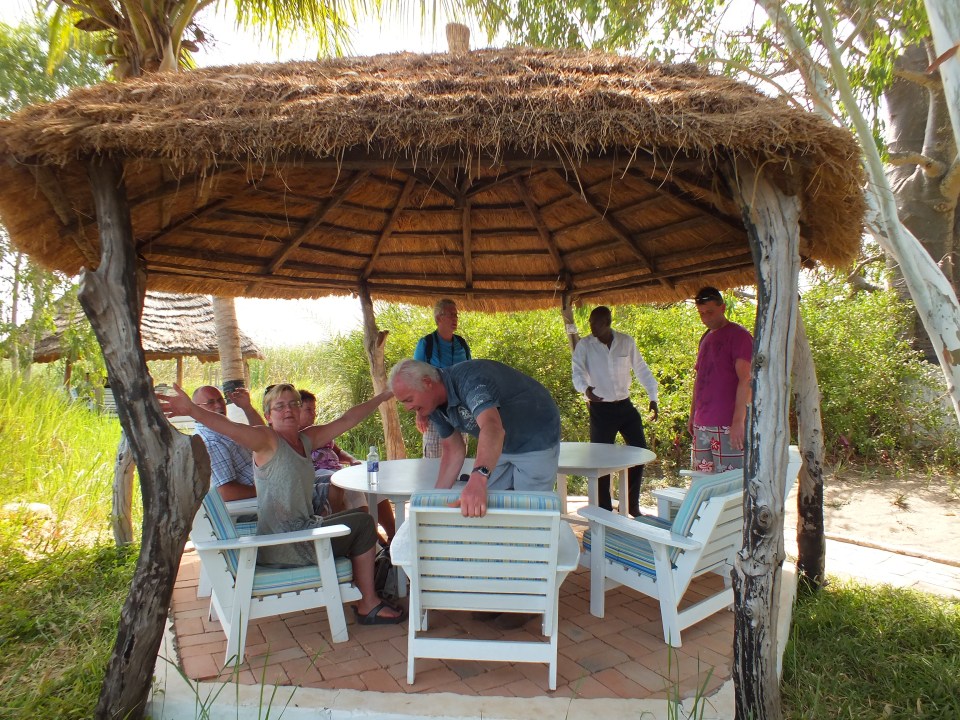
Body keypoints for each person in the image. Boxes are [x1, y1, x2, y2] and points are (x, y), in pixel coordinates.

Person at [159, 382, 405, 625]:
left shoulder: (306, 439)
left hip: (305, 530)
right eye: (279, 406)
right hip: (287, 545)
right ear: (268, 415)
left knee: (355, 518)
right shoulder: (267, 440)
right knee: (362, 523)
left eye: (293, 404)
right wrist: (192, 410)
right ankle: (368, 603)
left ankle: (366, 587)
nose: (288, 410)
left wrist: (383, 396)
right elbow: (228, 426)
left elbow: (347, 419)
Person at [389, 358, 561, 518]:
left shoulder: (471, 380)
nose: (407, 408)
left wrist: (478, 478)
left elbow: (492, 427)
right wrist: (435, 504)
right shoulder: (431, 405)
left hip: (535, 434)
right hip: (499, 444)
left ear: (427, 383)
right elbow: (453, 450)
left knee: (529, 513)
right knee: (490, 509)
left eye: (409, 400)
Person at [571, 306, 659, 517]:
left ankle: (631, 505)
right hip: (601, 409)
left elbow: (641, 369)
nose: (591, 326)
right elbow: (577, 372)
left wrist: (653, 397)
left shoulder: (626, 342)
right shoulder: (585, 345)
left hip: (625, 406)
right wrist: (585, 390)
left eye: (596, 322)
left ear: (608, 322)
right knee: (601, 460)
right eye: (590, 322)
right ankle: (604, 509)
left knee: (639, 452)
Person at [298, 389, 397, 543]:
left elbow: (346, 426)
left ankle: (393, 535)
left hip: (336, 471)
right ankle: (375, 541)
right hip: (322, 476)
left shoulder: (318, 434)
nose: (313, 414)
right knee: (348, 486)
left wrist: (351, 460)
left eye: (314, 410)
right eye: (308, 410)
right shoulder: (293, 440)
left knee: (369, 483)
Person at [688, 286, 753, 473]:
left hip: (728, 424)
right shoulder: (706, 337)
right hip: (702, 423)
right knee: (703, 482)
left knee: (729, 484)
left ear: (723, 308)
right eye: (701, 313)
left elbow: (746, 379)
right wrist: (693, 414)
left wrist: (739, 422)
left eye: (710, 312)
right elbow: (700, 379)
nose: (705, 317)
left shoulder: (740, 336)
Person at [413, 299, 471, 458]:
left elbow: (470, 376)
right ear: (439, 318)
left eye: (456, 315)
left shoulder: (462, 344)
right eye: (451, 315)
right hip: (434, 411)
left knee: (458, 458)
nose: (455, 319)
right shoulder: (427, 343)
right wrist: (420, 412)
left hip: (460, 410)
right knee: (432, 460)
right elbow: (416, 379)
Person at [191, 385, 258, 502]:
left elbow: (261, 436)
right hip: (257, 504)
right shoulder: (210, 441)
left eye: (220, 400)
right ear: (196, 408)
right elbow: (226, 492)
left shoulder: (224, 427)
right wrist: (265, 489)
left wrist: (247, 408)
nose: (219, 405)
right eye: (211, 402)